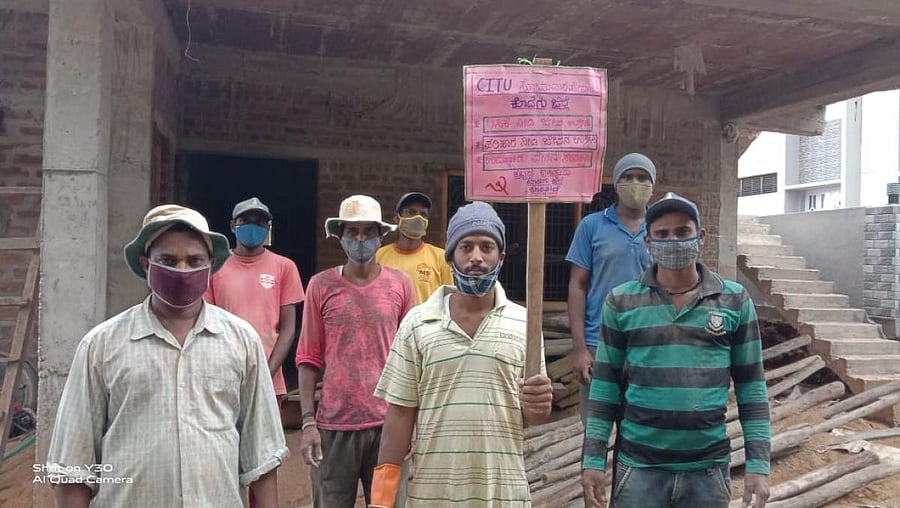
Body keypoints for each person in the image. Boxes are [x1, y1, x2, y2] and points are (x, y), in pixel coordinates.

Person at [46, 205, 288, 508]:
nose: (182, 270)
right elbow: (72, 467)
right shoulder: (101, 345)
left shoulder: (241, 341)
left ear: (211, 265)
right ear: (146, 265)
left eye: (194, 260)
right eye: (168, 261)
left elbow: (262, 457)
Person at [581, 193, 771, 508]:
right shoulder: (621, 301)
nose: (673, 241)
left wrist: (759, 465)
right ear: (648, 242)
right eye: (662, 234)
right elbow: (605, 388)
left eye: (683, 232)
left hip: (707, 471)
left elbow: (752, 387)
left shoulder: (734, 300)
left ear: (701, 236)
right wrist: (593, 460)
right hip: (639, 470)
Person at [369, 201, 554, 507]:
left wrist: (540, 404)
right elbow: (400, 414)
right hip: (433, 496)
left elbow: (534, 416)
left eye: (487, 247)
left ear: (501, 257)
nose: (476, 257)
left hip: (502, 496)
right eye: (466, 247)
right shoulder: (417, 323)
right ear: (450, 256)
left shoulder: (525, 324)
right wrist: (381, 499)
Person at [295, 195, 416, 508]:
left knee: (387, 504)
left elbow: (412, 358)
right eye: (353, 232)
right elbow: (308, 357)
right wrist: (308, 423)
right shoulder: (320, 285)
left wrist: (413, 423)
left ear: (380, 235)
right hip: (334, 427)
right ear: (340, 236)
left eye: (368, 232)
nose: (361, 240)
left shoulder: (400, 285)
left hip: (388, 426)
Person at [566, 153, 656, 422]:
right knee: (596, 429)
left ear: (653, 184)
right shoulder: (591, 226)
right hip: (599, 345)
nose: (635, 183)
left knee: (642, 429)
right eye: (628, 177)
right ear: (616, 183)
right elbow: (577, 286)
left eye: (643, 178)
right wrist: (579, 348)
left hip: (649, 346)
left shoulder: (662, 228)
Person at [205, 197, 305, 402]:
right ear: (232, 225)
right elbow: (206, 322)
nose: (252, 226)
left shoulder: (284, 267)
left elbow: (288, 329)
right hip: (223, 376)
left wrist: (267, 373)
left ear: (268, 227)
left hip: (269, 378)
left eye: (259, 222)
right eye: (245, 221)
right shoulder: (214, 267)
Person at [376, 192, 453, 304]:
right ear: (397, 219)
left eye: (423, 214)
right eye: (411, 212)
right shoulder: (378, 256)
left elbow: (449, 301)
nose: (418, 217)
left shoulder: (441, 258)